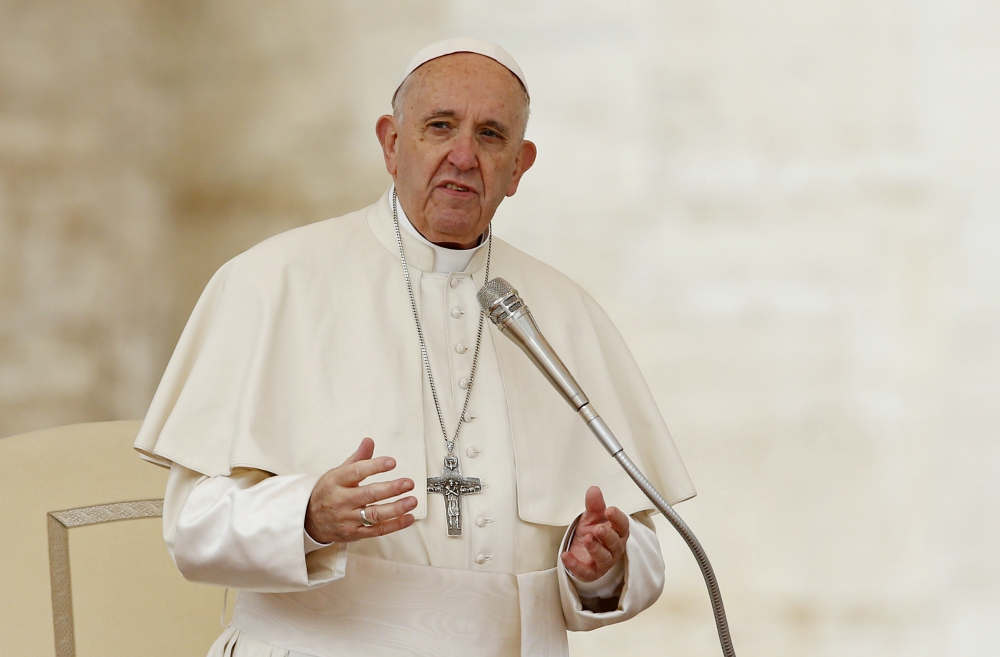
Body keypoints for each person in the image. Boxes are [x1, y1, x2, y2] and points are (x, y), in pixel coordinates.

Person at [135, 38, 696, 657]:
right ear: (391, 143)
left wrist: (600, 570)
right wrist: (308, 516)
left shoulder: (565, 313)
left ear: (520, 166)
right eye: (439, 127)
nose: (463, 155)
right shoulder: (272, 282)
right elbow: (192, 528)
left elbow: (639, 546)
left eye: (490, 135)